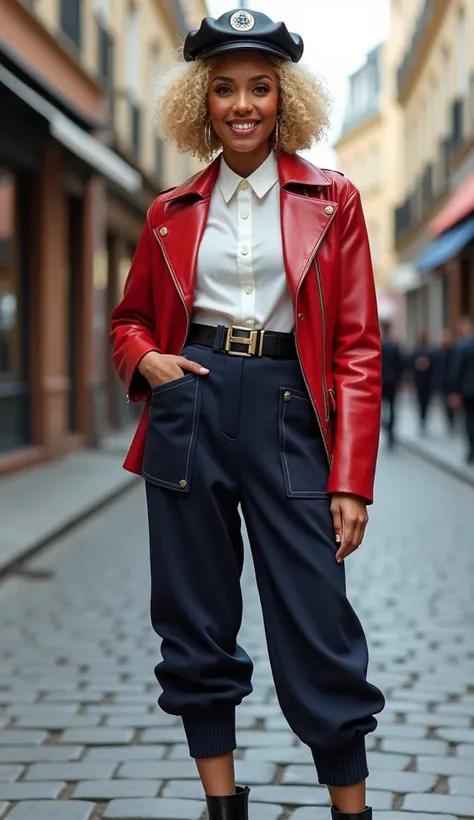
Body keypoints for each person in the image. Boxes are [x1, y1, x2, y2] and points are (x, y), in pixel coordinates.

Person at [110, 10, 384, 820]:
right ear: (201, 99)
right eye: (224, 87)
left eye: (259, 88)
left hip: (290, 406)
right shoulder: (167, 211)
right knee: (193, 616)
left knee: (317, 620)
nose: (242, 104)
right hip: (188, 402)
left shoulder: (334, 199)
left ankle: (352, 810)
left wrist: (353, 479)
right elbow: (129, 318)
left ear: (284, 98)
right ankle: (222, 806)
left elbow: (359, 346)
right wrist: (145, 360)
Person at [450, 316, 474, 463]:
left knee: (469, 420)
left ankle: (471, 450)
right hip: (466, 389)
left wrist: (454, 391)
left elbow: (456, 370)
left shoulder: (460, 346)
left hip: (467, 390)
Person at [381, 322, 403, 448]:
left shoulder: (380, 345)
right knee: (393, 407)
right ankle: (391, 431)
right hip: (393, 381)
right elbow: (400, 364)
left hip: (383, 382)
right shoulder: (394, 346)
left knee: (383, 408)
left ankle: (386, 426)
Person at [409, 329, 435, 435]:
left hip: (427, 381)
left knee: (425, 402)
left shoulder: (430, 352)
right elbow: (410, 365)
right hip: (420, 381)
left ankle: (423, 419)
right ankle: (422, 420)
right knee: (421, 402)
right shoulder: (416, 352)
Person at [434, 328, 456, 433]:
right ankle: (450, 421)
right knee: (446, 403)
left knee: (451, 403)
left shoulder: (454, 351)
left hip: (452, 381)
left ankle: (452, 420)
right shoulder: (439, 352)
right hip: (443, 382)